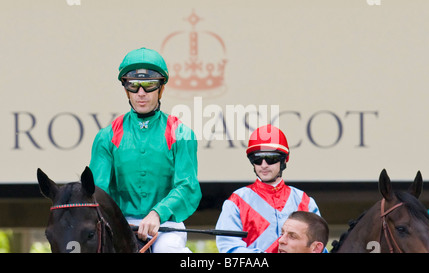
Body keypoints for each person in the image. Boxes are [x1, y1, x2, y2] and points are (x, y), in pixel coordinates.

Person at [89, 47, 202, 253]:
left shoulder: (182, 134)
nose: (141, 93)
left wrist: (157, 213)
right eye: (134, 86)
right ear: (126, 90)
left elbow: (187, 187)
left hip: (166, 225)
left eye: (149, 85)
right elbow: (98, 191)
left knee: (168, 251)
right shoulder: (106, 137)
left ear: (161, 89)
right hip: (120, 223)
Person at [215, 124, 322, 253]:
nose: (264, 165)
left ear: (284, 159)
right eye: (257, 159)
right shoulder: (237, 201)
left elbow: (317, 247)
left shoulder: (304, 201)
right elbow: (229, 247)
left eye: (271, 158)